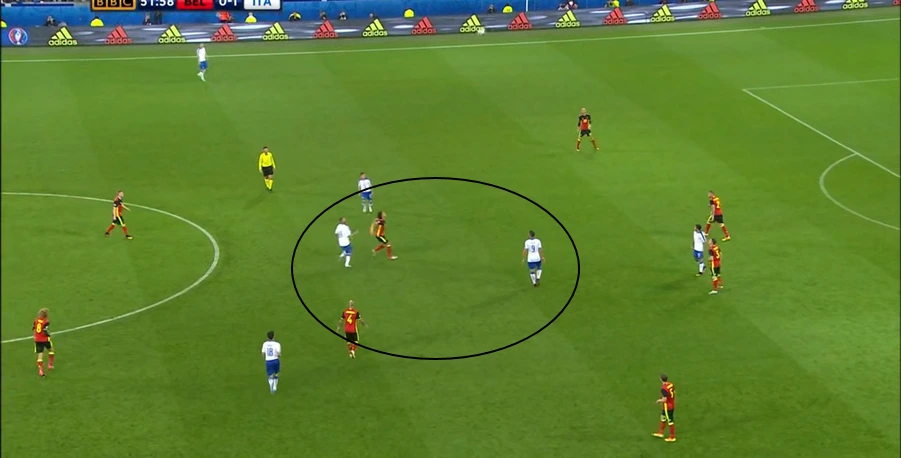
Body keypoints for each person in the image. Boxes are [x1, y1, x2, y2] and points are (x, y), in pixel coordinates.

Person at [653, 374, 677, 442]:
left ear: (661, 379)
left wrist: (659, 401)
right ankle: (660, 432)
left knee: (670, 421)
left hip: (667, 407)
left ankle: (672, 437)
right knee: (663, 418)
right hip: (672, 404)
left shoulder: (664, 389)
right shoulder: (671, 384)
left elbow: (664, 399)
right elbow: (673, 392)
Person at [33, 308, 54, 377]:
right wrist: (49, 334)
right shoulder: (46, 322)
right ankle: (50, 365)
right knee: (51, 350)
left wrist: (35, 336)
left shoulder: (36, 320)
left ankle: (40, 370)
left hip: (37, 340)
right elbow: (45, 330)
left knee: (40, 354)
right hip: (45, 339)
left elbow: (34, 328)